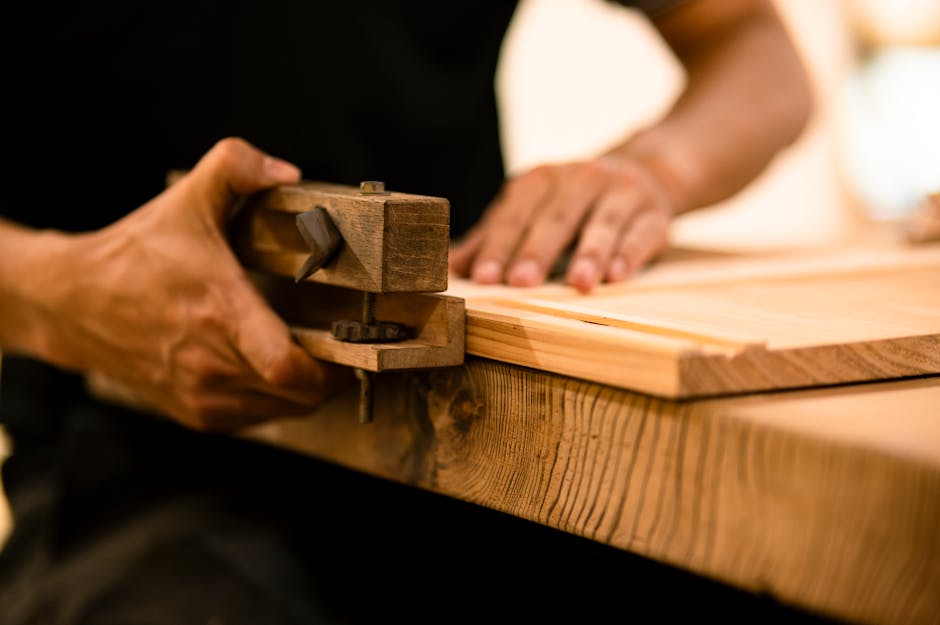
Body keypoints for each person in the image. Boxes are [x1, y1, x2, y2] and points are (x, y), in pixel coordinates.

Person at [0, 1, 819, 623]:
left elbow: (756, 47)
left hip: (484, 429)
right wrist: (55, 287)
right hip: (132, 443)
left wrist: (655, 168)